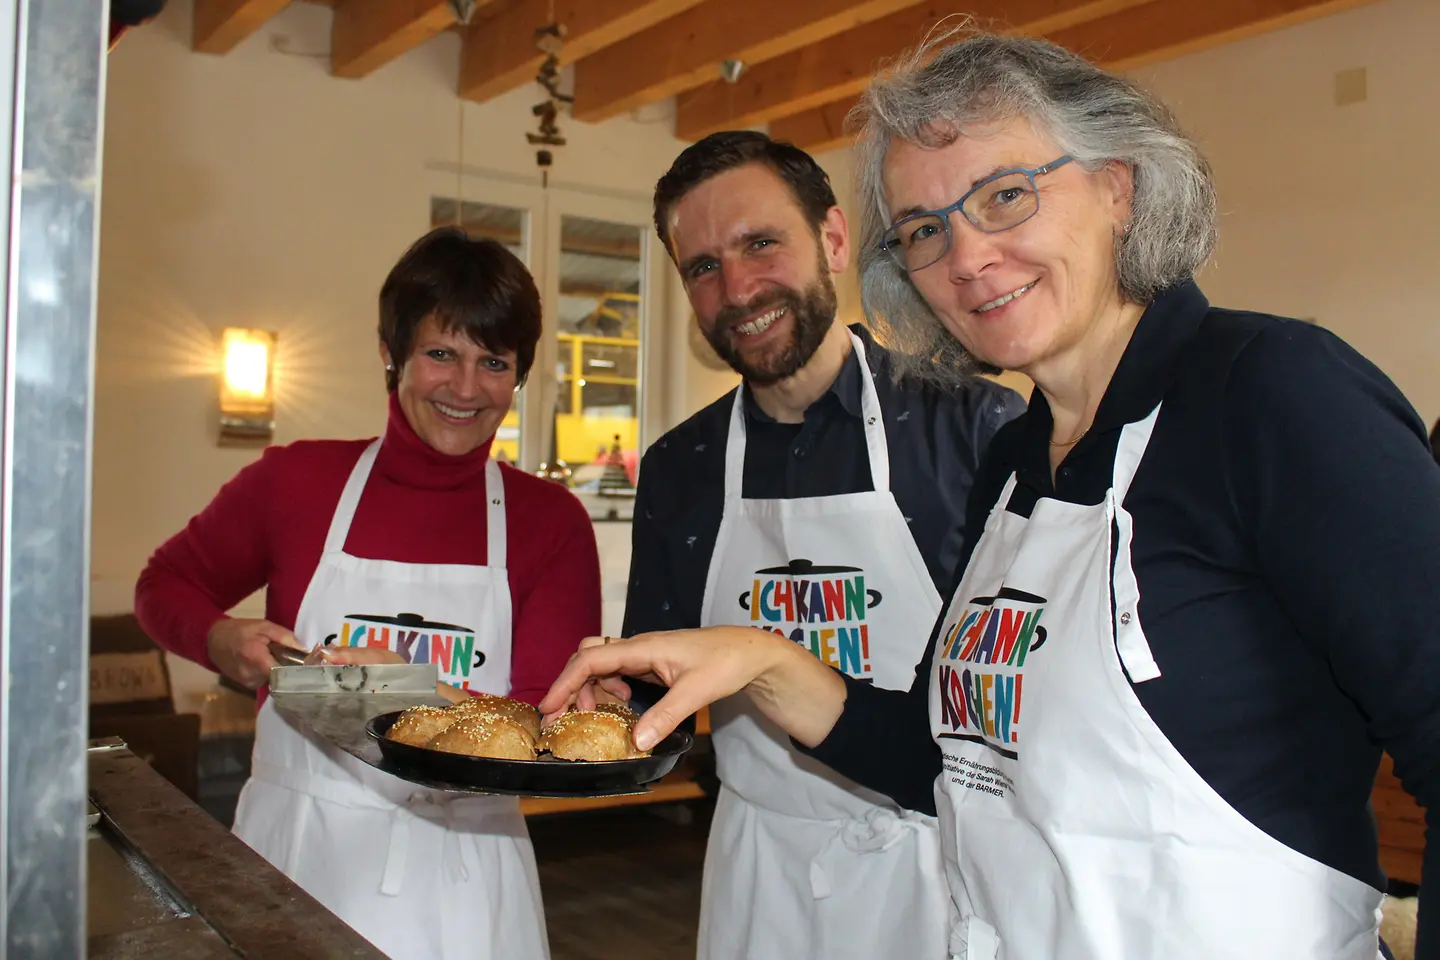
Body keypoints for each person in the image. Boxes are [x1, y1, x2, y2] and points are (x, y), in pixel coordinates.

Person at [544, 30, 1440, 960]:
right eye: (927, 229)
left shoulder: (1271, 393)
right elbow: (940, 759)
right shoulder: (1018, 461)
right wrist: (759, 658)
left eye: (1006, 195)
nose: (967, 258)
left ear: (1117, 187)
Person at [137, 227, 602, 960]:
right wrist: (223, 640)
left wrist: (390, 685)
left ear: (519, 377)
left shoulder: (551, 523)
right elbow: (164, 584)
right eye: (440, 353)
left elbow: (544, 725)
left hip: (466, 872)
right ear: (391, 354)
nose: (466, 387)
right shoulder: (295, 482)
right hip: (295, 854)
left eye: (494, 362)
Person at [623, 130, 1023, 960]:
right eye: (701, 267)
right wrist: (612, 713)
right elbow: (648, 705)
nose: (736, 287)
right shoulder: (680, 468)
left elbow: (1022, 708)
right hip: (756, 873)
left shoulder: (976, 430)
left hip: (937, 867)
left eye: (761, 243)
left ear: (834, 240)